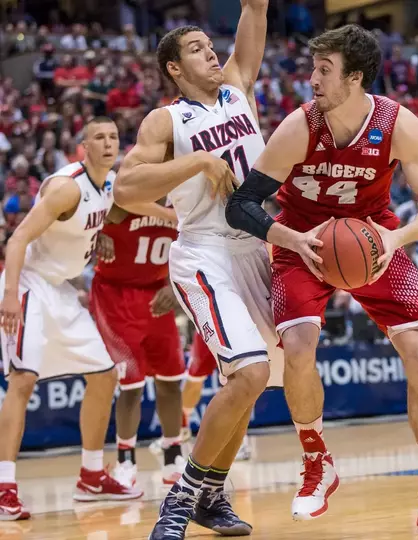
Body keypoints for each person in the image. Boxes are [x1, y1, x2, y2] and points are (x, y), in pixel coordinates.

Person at [226, 25, 418, 534]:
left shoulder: (398, 125)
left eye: (325, 71)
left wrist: (394, 238)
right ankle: (317, 464)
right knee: (298, 347)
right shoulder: (299, 128)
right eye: (313, 68)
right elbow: (241, 204)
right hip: (303, 244)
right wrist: (290, 238)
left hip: (374, 242)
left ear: (355, 77)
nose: (312, 80)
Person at [113, 2, 283, 538]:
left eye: (211, 46)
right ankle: (181, 500)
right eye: (196, 49)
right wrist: (200, 161)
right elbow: (125, 189)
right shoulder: (165, 119)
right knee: (251, 372)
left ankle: (211, 494)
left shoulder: (237, 88)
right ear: (173, 68)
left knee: (248, 385)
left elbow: (255, 8)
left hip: (255, 248)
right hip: (205, 250)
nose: (210, 53)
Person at [0, 118, 144, 521]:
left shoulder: (110, 183)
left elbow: (115, 210)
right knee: (22, 380)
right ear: (83, 146)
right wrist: (10, 296)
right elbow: (17, 239)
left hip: (61, 290)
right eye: (99, 137)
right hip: (28, 285)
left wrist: (158, 220)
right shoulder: (67, 188)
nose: (108, 143)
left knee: (104, 374)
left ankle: (93, 475)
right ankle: (4, 486)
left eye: (114, 136)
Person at [89, 200, 187, 487]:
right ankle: (125, 460)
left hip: (158, 292)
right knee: (131, 385)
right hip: (116, 295)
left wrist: (174, 286)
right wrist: (97, 234)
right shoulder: (123, 196)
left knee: (171, 379)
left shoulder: (182, 199)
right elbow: (87, 223)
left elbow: (194, 249)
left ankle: (173, 456)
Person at [149, 332, 253, 462]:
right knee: (194, 377)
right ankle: (180, 429)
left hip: (236, 327)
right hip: (208, 324)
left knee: (235, 379)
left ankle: (240, 441)